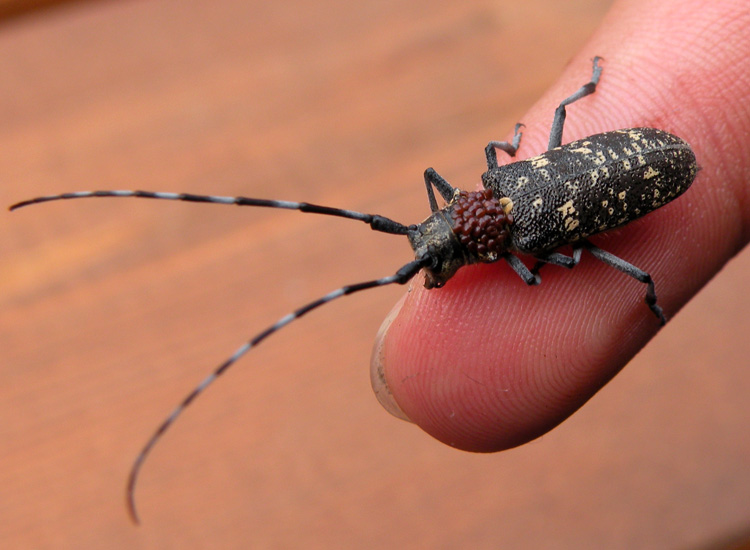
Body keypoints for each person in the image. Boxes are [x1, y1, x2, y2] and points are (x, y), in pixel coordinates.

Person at [371, 0, 750, 452]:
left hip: (656, 165)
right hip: (632, 158)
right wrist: (516, 152)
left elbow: (550, 268)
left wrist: (563, 254)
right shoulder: (498, 174)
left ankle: (647, 292)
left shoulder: (526, 239)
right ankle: (588, 84)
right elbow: (500, 155)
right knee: (558, 124)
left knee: (601, 258)